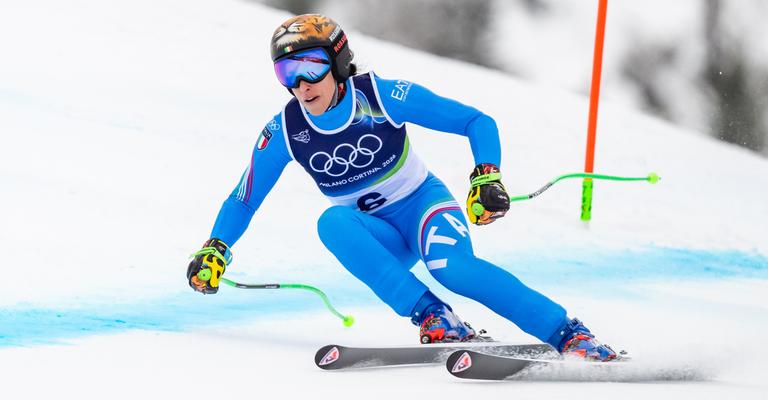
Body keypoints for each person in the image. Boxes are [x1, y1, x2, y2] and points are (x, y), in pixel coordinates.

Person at [187, 14, 617, 361]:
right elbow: (243, 198)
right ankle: (434, 316)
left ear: (337, 63)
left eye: (311, 66)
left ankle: (569, 333)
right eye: (286, 71)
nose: (300, 84)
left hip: (424, 208)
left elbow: (475, 121)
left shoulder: (381, 95)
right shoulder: (285, 130)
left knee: (455, 270)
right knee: (333, 222)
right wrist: (216, 247)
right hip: (380, 235)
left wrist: (486, 174)